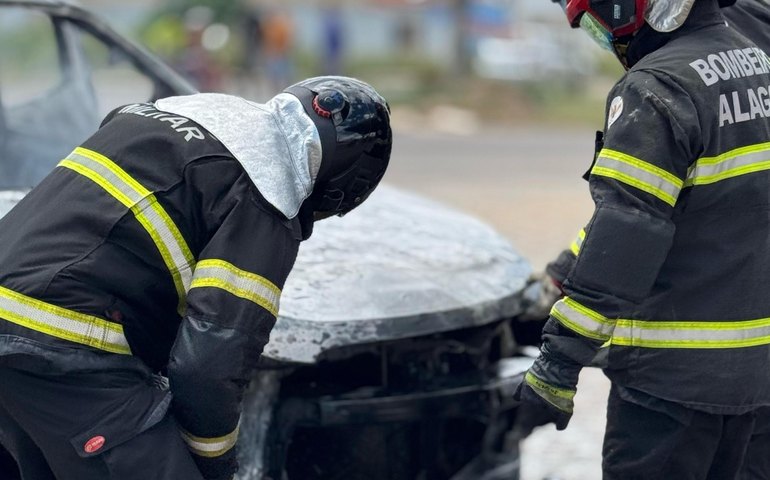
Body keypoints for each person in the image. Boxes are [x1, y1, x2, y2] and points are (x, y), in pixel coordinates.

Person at [0, 75, 392, 480]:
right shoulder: (267, 191)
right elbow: (209, 364)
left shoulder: (163, 116)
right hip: (60, 346)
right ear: (343, 183)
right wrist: (213, 462)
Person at [512, 0, 770, 478]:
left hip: (669, 384)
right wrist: (563, 273)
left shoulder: (658, 88)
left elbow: (628, 231)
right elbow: (678, 207)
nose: (607, 38)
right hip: (752, 380)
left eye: (597, 22)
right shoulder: (757, 62)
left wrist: (557, 364)